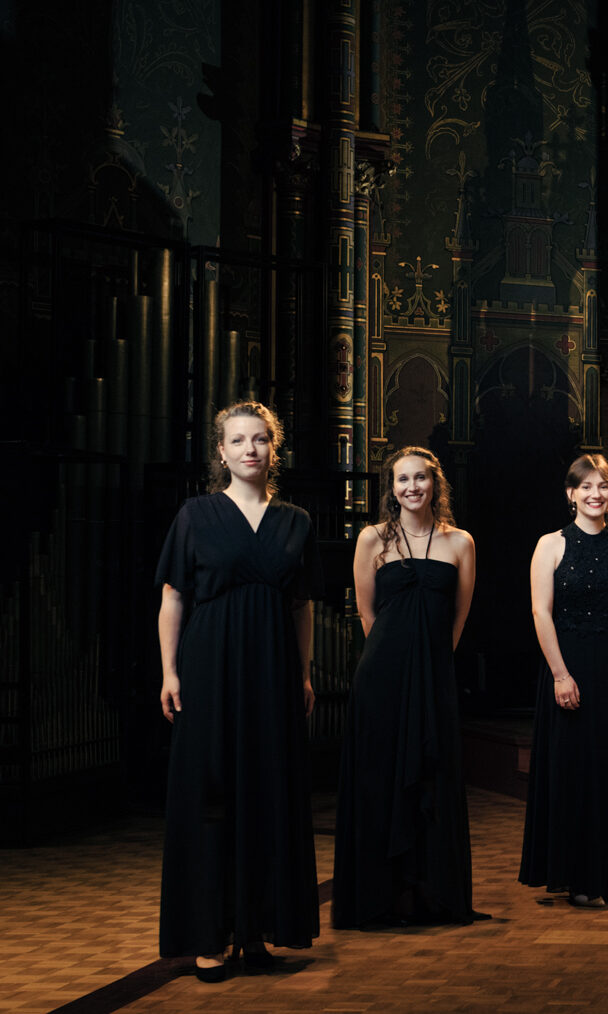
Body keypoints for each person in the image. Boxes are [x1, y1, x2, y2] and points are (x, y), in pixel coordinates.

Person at [154, 401, 320, 981]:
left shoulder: (296, 520)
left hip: (273, 673)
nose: (250, 449)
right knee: (211, 798)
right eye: (238, 440)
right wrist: (170, 672)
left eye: (260, 440)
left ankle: (256, 934)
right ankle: (210, 936)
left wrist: (302, 673)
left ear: (274, 450)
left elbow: (302, 608)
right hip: (208, 668)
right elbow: (173, 598)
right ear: (220, 452)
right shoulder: (195, 515)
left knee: (268, 795)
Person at [333, 447, 481, 929]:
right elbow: (365, 612)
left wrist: (432, 662)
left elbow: (458, 616)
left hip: (434, 675)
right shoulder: (372, 538)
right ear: (391, 488)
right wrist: (395, 658)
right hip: (382, 677)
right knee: (380, 779)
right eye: (402, 480)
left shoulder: (460, 542)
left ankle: (430, 894)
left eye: (420, 478)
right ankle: (382, 896)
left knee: (433, 778)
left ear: (435, 484)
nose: (412, 487)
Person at [519, 455, 608, 908]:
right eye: (586, 486)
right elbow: (541, 612)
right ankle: (576, 876)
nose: (596, 494)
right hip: (569, 666)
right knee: (573, 772)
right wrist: (560, 674)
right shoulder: (549, 545)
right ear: (570, 493)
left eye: (605, 486)